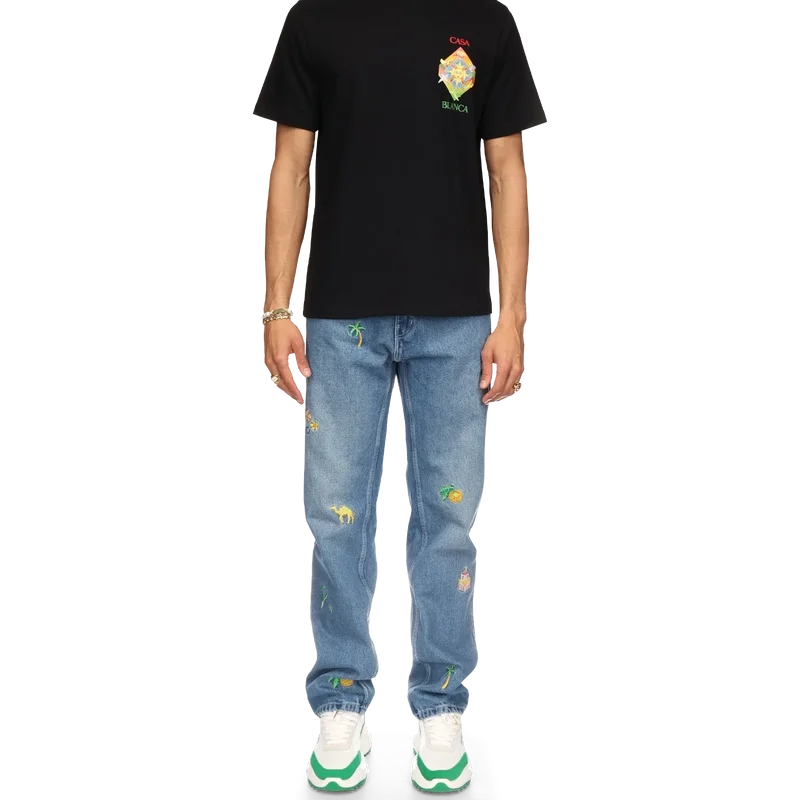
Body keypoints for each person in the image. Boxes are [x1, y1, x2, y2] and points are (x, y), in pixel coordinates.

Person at [256, 0, 544, 791]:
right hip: (339, 317)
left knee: (449, 519)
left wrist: (511, 316)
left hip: (460, 320)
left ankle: (441, 702)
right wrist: (276, 308)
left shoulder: (486, 21)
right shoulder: (316, 19)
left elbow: (507, 172)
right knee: (335, 516)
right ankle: (339, 696)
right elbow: (290, 163)